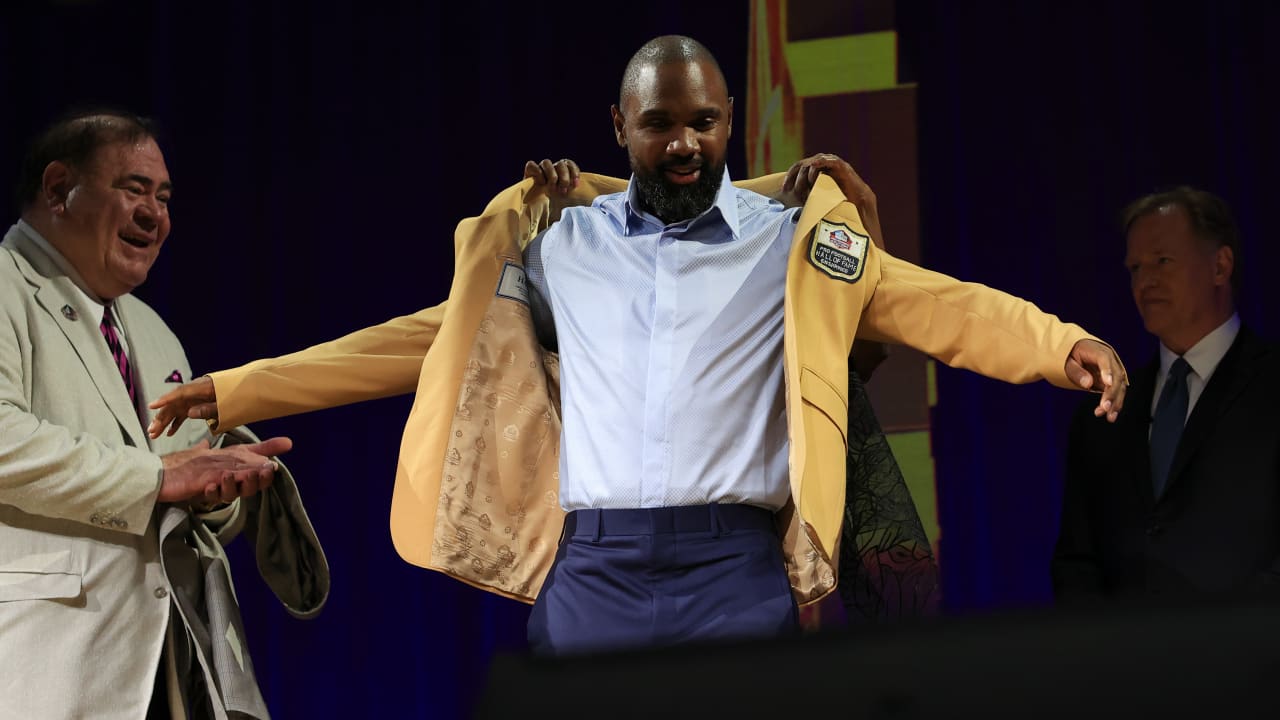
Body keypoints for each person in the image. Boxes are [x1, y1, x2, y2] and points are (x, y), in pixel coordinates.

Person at [150, 35, 1126, 656]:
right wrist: (240, 391)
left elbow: (936, 303)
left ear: (727, 121)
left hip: (736, 571)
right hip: (593, 569)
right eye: (658, 124)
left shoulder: (791, 244)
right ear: (618, 126)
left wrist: (1060, 346)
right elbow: (419, 342)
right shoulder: (562, 242)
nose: (683, 143)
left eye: (701, 121)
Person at [0, 110, 330, 719]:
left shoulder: (152, 331)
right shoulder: (6, 287)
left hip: (164, 662)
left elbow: (186, 496)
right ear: (56, 189)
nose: (156, 214)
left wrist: (219, 492)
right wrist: (159, 478)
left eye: (164, 196)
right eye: (134, 190)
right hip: (47, 662)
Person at [1052, 187, 1279, 602]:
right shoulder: (1101, 411)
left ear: (1220, 266)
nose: (1145, 281)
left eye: (1162, 261)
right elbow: (1076, 562)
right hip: (1126, 663)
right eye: (1135, 267)